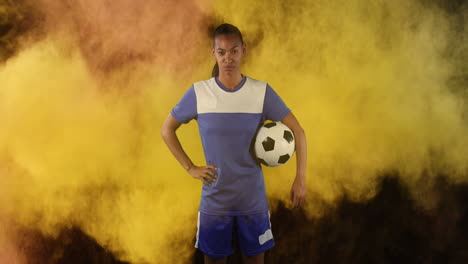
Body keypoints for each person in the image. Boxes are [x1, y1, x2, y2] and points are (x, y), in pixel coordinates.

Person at [161, 23, 307, 264]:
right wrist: (190, 168)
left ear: (243, 51)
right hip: (215, 202)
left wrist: (300, 178)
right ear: (214, 53)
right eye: (222, 52)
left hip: (253, 201)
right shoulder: (200, 93)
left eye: (234, 51)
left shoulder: (261, 92)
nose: (228, 58)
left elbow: (298, 132)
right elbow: (167, 129)